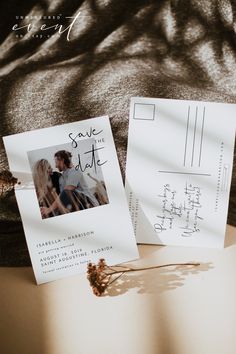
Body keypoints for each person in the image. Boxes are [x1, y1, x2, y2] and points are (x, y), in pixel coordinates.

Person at [41, 150, 99, 217]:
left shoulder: (74, 171)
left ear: (62, 161)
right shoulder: (61, 178)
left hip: (90, 203)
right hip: (75, 205)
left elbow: (67, 192)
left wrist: (49, 209)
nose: (55, 166)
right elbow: (61, 198)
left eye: (56, 162)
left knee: (66, 192)